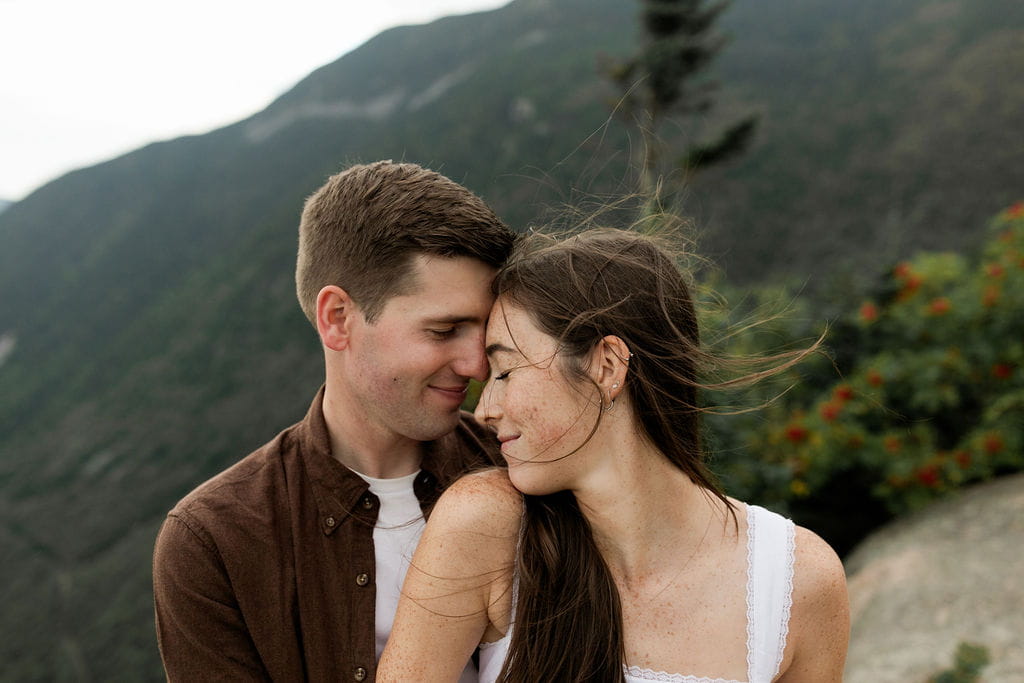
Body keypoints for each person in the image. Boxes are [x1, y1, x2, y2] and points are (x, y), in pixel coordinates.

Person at [378, 227, 851, 682]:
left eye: (504, 371)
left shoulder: (796, 582)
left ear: (607, 366)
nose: (483, 411)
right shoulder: (488, 527)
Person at [152, 160, 518, 681]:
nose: (478, 364)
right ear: (338, 319)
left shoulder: (525, 463)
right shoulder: (214, 540)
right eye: (443, 330)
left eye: (482, 330)